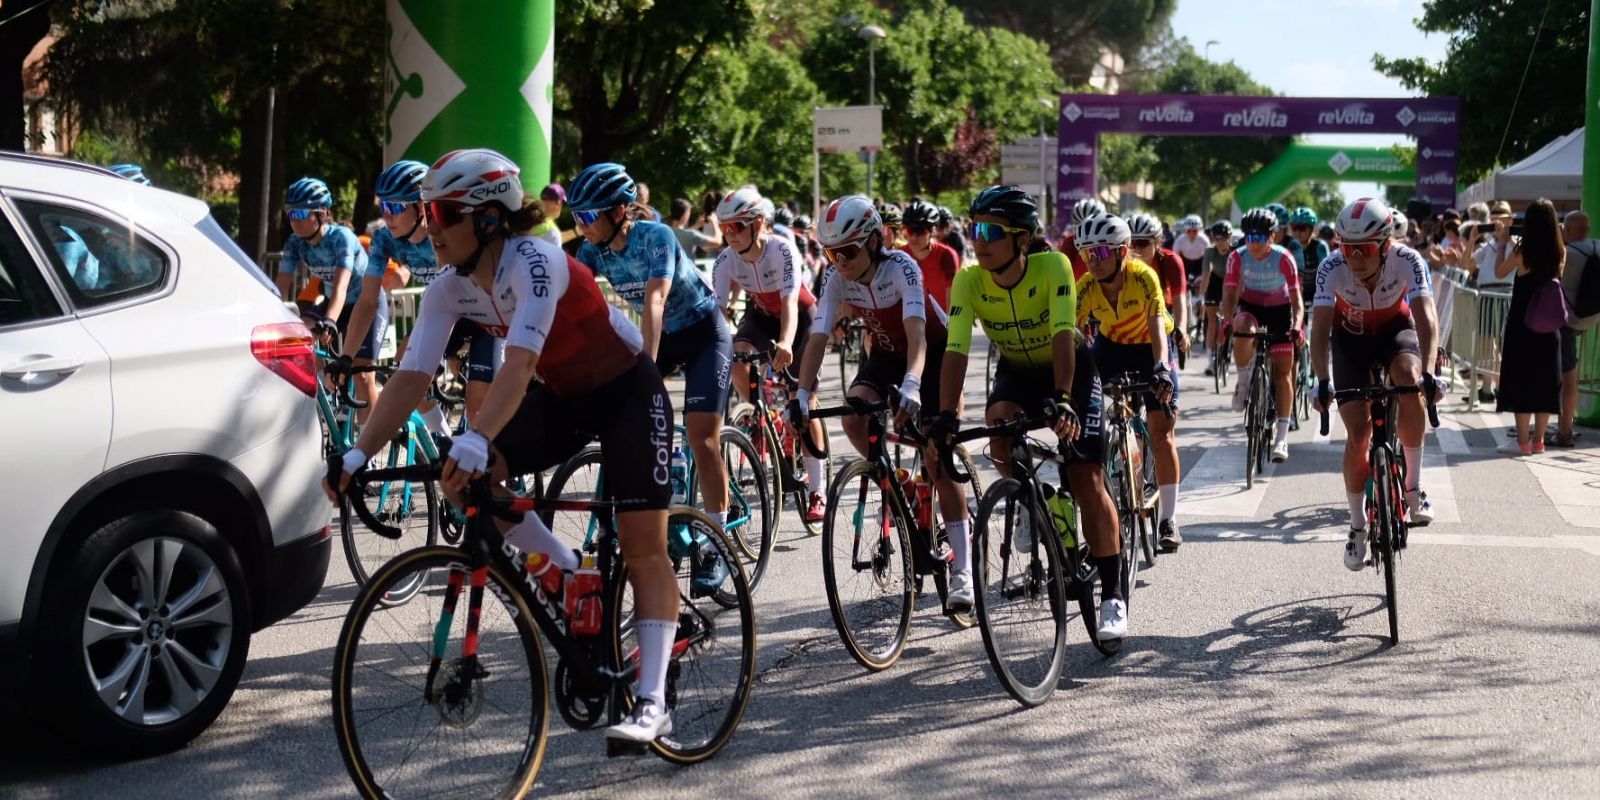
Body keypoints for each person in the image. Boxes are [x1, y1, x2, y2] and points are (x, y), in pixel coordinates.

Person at [321, 148, 681, 743]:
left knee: (644, 547)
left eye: (442, 214)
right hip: (564, 396)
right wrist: (356, 455)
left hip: (626, 392)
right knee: (468, 483)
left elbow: (521, 360)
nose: (429, 227)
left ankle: (651, 700)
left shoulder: (535, 260)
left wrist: (479, 434)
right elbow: (411, 377)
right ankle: (566, 571)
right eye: (426, 213)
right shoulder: (447, 287)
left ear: (488, 217)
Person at [936, 186, 1128, 641]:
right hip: (1018, 371)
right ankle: (1031, 496)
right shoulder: (969, 279)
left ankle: (1114, 595)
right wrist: (945, 415)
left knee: (1086, 477)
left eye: (990, 231)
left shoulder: (1053, 266)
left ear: (1022, 240)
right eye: (973, 228)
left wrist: (1063, 398)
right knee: (999, 435)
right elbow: (956, 350)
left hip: (1071, 371)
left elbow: (1064, 331)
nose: (978, 239)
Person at [793, 195, 973, 609]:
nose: (839, 261)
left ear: (874, 241)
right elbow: (819, 334)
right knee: (854, 418)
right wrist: (802, 393)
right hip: (885, 356)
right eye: (830, 253)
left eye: (848, 251)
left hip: (932, 355)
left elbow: (918, 334)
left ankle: (962, 571)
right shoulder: (838, 277)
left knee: (937, 455)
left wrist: (912, 383)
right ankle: (900, 487)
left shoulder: (902, 267)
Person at [568, 162, 735, 533]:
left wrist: (644, 369)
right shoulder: (592, 249)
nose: (581, 224)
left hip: (704, 335)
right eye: (576, 216)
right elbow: (571, 298)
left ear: (616, 212)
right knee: (620, 417)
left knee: (701, 437)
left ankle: (718, 540)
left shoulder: (657, 236)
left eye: (588, 215)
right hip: (663, 337)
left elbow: (655, 301)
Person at [1309, 197, 1439, 569]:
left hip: (1395, 333)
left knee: (1409, 380)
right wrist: (1320, 379)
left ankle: (1412, 489)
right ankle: (1357, 526)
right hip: (1350, 341)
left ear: (1385, 244)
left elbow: (1426, 316)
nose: (1353, 256)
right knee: (1357, 434)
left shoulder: (1408, 260)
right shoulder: (1331, 266)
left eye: (1363, 248)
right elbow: (1319, 329)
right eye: (1346, 247)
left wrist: (1430, 370)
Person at [712, 186, 829, 523]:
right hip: (762, 317)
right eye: (724, 228)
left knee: (802, 400)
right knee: (735, 357)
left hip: (801, 318)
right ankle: (756, 414)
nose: (728, 235)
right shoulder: (725, 261)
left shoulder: (782, 249)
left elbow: (791, 304)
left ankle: (818, 489)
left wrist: (788, 343)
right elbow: (719, 313)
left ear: (757, 223)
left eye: (735, 227)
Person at [1077, 213, 1184, 552]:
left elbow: (1156, 323)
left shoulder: (1143, 276)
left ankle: (1168, 519)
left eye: (1102, 253)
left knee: (1162, 430)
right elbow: (1072, 334)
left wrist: (1160, 368)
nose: (1093, 261)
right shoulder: (1086, 286)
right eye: (1086, 254)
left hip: (1149, 346)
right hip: (1111, 347)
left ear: (1123, 252)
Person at [276, 176, 387, 419]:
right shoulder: (295, 243)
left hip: (366, 302)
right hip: (335, 303)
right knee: (302, 332)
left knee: (362, 373)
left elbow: (341, 287)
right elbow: (280, 286)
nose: (295, 221)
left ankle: (369, 444)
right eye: (291, 213)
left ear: (323, 214)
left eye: (302, 213)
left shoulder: (342, 238)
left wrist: (330, 321)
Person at [1221, 207, 1302, 463]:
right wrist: (1226, 321)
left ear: (1272, 237)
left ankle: (1281, 439)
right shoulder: (1236, 257)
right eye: (1249, 238)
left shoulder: (1284, 258)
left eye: (1260, 238)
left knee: (1282, 374)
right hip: (1251, 306)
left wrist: (1297, 325)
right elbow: (1230, 294)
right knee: (1241, 328)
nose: (1253, 244)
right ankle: (1244, 383)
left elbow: (1297, 300)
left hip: (1280, 310)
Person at [1494, 198, 1566, 456]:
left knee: (1521, 380)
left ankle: (1522, 442)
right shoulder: (1559, 252)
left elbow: (1500, 272)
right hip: (1549, 325)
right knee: (1546, 381)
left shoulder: (1521, 252)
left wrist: (1503, 244)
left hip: (1522, 324)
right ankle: (1539, 441)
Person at [1557, 210, 1596, 447]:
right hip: (1591, 318)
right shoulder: (1597, 247)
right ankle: (1565, 426)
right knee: (1572, 375)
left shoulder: (1568, 254)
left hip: (1567, 321)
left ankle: (1564, 431)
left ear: (1568, 230)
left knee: (1568, 378)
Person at [1126, 213, 1189, 358]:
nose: (1137, 249)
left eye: (1143, 243)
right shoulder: (1121, 262)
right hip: (1128, 314)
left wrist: (1181, 330)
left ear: (1156, 242)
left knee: (1166, 375)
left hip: (1161, 312)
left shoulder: (1171, 261)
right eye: (1132, 243)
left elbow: (1179, 301)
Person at [902, 200, 959, 310]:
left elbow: (952, 299)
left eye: (920, 232)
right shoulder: (901, 255)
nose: (913, 237)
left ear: (932, 231)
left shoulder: (946, 255)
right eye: (910, 231)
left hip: (941, 321)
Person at [1201, 220, 1235, 366]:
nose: (1220, 242)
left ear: (1230, 238)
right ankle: (1210, 359)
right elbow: (1206, 273)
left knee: (1229, 318)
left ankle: (1227, 348)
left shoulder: (1235, 252)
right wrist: (1201, 296)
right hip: (1215, 281)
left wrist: (1229, 298)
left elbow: (1235, 276)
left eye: (1224, 238)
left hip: (1230, 281)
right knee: (1212, 320)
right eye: (1217, 239)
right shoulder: (1209, 251)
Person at [1288, 207, 1329, 306]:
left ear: (1312, 229)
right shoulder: (1287, 246)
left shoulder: (1320, 247)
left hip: (1315, 292)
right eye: (1294, 228)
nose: (1297, 232)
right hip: (1293, 291)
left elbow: (1327, 275)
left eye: (1302, 228)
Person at [1059, 198, 1105, 280]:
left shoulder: (1112, 242)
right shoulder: (1070, 242)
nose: (1087, 232)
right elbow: (1061, 274)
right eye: (1081, 227)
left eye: (1091, 226)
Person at [1172, 215, 1209, 286]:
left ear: (1199, 230)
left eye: (1195, 231)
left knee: (1200, 283)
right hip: (1185, 263)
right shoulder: (1180, 240)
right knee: (1182, 283)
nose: (1192, 234)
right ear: (1185, 230)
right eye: (1189, 231)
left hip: (1199, 263)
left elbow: (1209, 257)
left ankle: (1199, 296)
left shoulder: (1204, 240)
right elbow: (1175, 257)